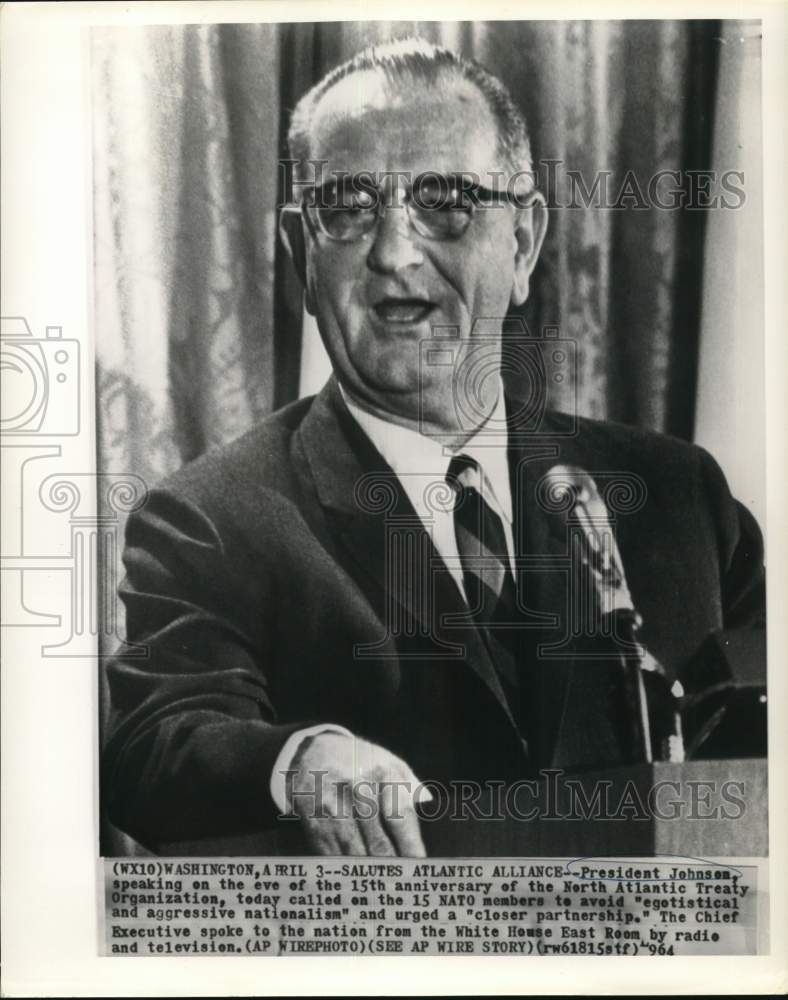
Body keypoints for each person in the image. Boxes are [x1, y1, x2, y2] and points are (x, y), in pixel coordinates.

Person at [102, 38, 765, 857]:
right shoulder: (208, 520)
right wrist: (297, 759)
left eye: (444, 200)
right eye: (346, 207)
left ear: (523, 242)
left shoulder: (674, 493)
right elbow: (154, 744)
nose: (393, 253)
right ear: (301, 256)